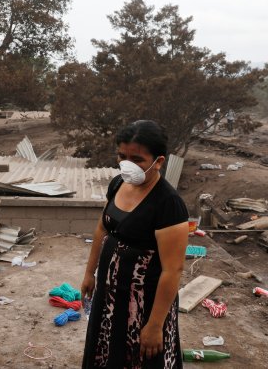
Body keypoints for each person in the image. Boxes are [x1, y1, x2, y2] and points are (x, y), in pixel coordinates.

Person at [81, 120, 189, 369]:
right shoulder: (118, 184)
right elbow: (102, 228)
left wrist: (154, 325)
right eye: (122, 156)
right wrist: (89, 273)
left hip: (144, 306)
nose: (127, 164)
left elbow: (173, 270)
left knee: (141, 360)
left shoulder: (168, 204)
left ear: (159, 161)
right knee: (107, 354)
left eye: (137, 159)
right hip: (109, 296)